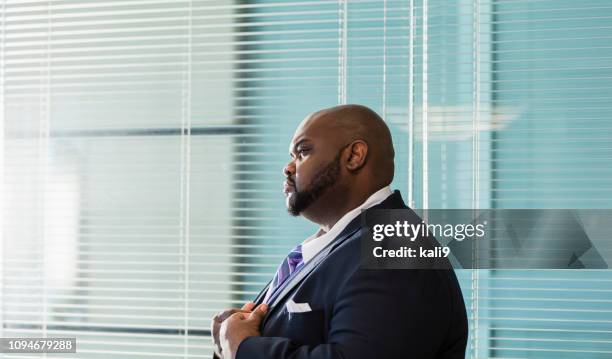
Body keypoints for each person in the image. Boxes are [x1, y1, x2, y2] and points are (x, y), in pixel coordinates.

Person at [211, 104, 468, 359]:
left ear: (354, 155)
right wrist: (232, 335)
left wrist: (244, 348)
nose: (288, 167)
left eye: (303, 151)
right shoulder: (338, 245)